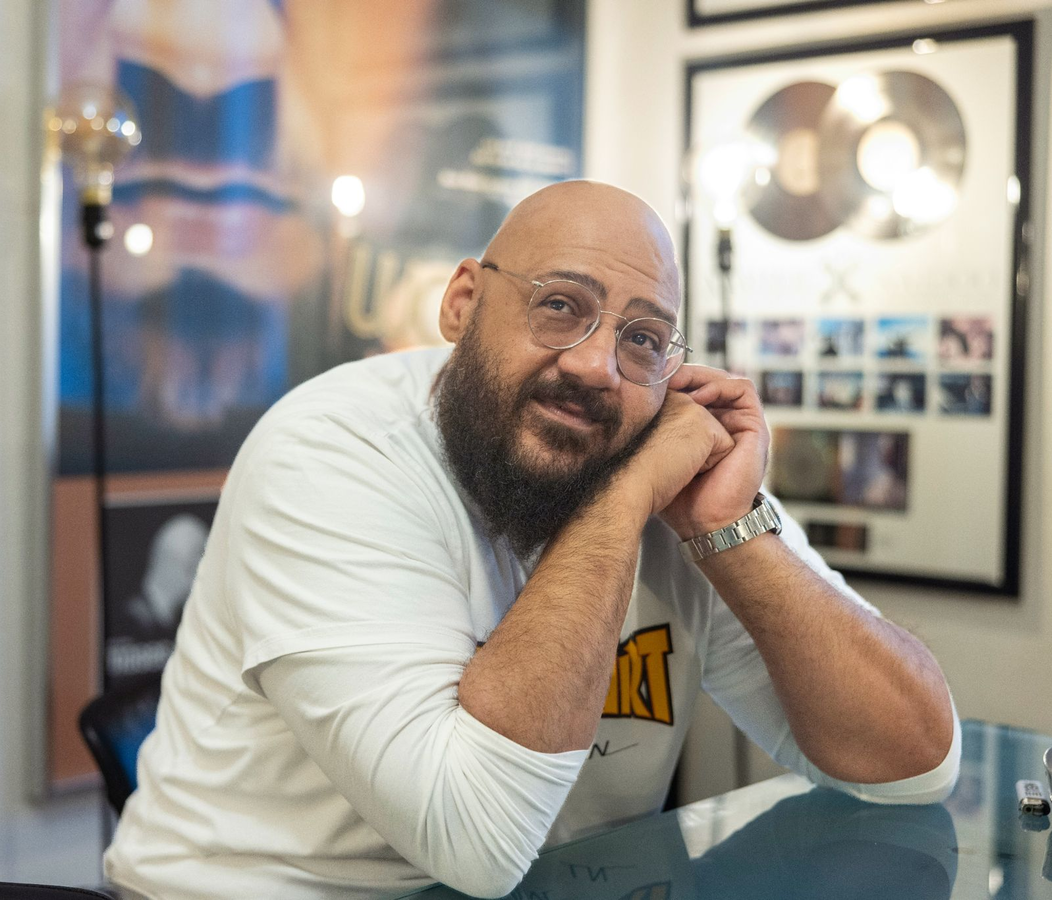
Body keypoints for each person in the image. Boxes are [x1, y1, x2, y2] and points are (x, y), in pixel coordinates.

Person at [104, 181, 959, 900]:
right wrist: (622, 497)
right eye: (560, 307)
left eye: (641, 339)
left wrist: (727, 529)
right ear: (463, 305)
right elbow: (474, 840)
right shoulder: (332, 452)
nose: (595, 366)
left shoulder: (670, 467)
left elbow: (914, 767)